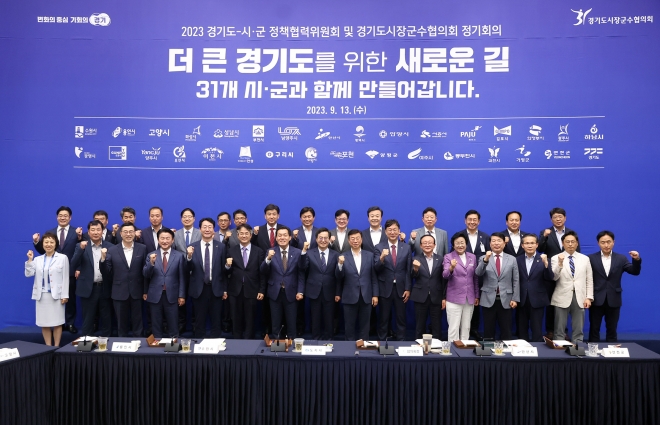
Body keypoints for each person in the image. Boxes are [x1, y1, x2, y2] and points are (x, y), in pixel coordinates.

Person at [32, 206, 81, 334]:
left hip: (70, 270)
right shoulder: (50, 232)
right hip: (52, 273)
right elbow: (44, 251)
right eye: (60, 215)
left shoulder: (76, 232)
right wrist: (37, 242)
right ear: (57, 217)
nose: (63, 218)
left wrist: (78, 268)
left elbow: (81, 251)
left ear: (70, 217)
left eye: (65, 215)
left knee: (70, 298)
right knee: (54, 298)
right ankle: (59, 323)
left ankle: (70, 323)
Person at [588, 231, 641, 342]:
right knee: (594, 329)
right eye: (603, 242)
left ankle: (611, 351)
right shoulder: (591, 258)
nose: (606, 245)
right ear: (598, 243)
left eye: (609, 242)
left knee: (612, 330)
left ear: (614, 242)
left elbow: (634, 271)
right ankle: (592, 352)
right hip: (596, 298)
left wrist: (636, 260)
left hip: (614, 299)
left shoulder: (621, 258)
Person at [100, 222, 147, 337]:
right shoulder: (112, 250)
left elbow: (145, 272)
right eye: (125, 232)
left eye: (131, 231)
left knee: (138, 322)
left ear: (135, 233)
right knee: (121, 323)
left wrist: (145, 291)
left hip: (137, 291)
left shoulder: (142, 248)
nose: (128, 234)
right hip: (119, 291)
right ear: (120, 234)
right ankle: (122, 344)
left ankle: (139, 343)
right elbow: (106, 272)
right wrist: (103, 259)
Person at [538, 207, 579, 339]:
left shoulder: (571, 233)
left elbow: (578, 252)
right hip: (551, 272)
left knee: (565, 301)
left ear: (565, 218)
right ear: (551, 219)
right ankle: (550, 330)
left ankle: (563, 331)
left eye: (560, 216)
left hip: (568, 272)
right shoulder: (546, 232)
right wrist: (544, 237)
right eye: (555, 217)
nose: (558, 219)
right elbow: (540, 249)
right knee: (551, 302)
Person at [260, 226, 305, 339]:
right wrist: (268, 258)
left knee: (291, 322)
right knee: (275, 322)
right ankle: (277, 344)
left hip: (292, 292)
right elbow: (263, 270)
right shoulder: (270, 251)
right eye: (279, 235)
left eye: (285, 235)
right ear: (276, 238)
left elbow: (301, 273)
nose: (282, 238)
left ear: (290, 237)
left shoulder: (297, 252)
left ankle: (291, 342)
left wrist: (300, 291)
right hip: (274, 292)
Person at [70, 220, 114, 337]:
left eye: (98, 230)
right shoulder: (81, 246)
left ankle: (107, 343)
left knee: (107, 319)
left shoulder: (110, 247)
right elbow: (73, 264)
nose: (95, 232)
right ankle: (86, 344)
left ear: (102, 231)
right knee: (88, 320)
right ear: (88, 232)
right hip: (88, 288)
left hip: (105, 288)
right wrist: (80, 249)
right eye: (92, 230)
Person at [25, 233, 69, 346]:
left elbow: (65, 277)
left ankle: (56, 346)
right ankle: (48, 347)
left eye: (51, 242)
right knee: (44, 323)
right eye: (46, 242)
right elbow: (29, 274)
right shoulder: (37, 259)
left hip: (57, 296)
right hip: (42, 296)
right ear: (42, 244)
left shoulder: (62, 258)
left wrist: (65, 295)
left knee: (57, 323)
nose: (48, 244)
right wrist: (30, 260)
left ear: (56, 244)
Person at [143, 228, 187, 338]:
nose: (165, 241)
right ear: (158, 240)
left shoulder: (179, 256)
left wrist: (181, 295)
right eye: (162, 238)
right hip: (155, 295)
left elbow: (182, 277)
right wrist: (151, 263)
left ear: (172, 240)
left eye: (168, 238)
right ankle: (156, 345)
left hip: (172, 295)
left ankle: (173, 344)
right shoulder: (151, 255)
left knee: (173, 323)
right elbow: (146, 275)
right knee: (156, 324)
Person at [186, 218, 227, 338]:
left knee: (216, 320)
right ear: (200, 229)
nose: (207, 229)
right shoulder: (192, 247)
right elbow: (188, 269)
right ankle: (199, 344)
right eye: (204, 227)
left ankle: (216, 344)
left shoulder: (221, 247)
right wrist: (189, 257)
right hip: (199, 289)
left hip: (216, 288)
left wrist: (225, 289)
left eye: (210, 227)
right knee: (199, 321)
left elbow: (224, 271)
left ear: (213, 229)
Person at [475, 232, 519, 340]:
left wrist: (515, 298)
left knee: (506, 330)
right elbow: (478, 273)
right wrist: (486, 260)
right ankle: (488, 349)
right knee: (488, 330)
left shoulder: (512, 259)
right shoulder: (483, 258)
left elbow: (516, 279)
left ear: (504, 243)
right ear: (490, 244)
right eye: (493, 241)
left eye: (499, 241)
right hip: (488, 299)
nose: (496, 243)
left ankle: (507, 349)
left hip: (506, 299)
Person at [550, 231, 592, 343]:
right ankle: (559, 346)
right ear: (562, 243)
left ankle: (578, 347)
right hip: (561, 296)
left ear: (577, 243)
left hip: (580, 297)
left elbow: (589, 279)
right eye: (567, 242)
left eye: (573, 242)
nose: (570, 244)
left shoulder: (585, 259)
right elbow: (554, 277)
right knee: (559, 329)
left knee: (578, 328)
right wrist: (560, 264)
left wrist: (589, 297)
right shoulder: (555, 258)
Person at [301, 228, 342, 340]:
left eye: (325, 238)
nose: (323, 240)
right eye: (321, 238)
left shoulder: (336, 254)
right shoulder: (309, 253)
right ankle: (315, 340)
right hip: (314, 291)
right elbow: (302, 267)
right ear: (316, 239)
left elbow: (338, 276)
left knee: (329, 319)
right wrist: (303, 251)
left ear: (329, 239)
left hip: (330, 291)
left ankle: (329, 340)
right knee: (315, 318)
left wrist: (338, 293)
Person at [225, 224, 266, 339]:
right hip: (235, 290)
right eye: (241, 234)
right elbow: (226, 273)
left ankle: (249, 343)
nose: (244, 236)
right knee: (235, 318)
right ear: (237, 236)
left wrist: (262, 290)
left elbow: (262, 272)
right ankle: (237, 341)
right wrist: (227, 266)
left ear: (251, 235)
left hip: (252, 289)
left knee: (250, 319)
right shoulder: (231, 251)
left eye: (246, 233)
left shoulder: (259, 251)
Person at [374, 219, 412, 341]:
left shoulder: (406, 247)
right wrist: (381, 258)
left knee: (401, 318)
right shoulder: (379, 247)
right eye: (389, 230)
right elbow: (376, 268)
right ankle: (382, 342)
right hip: (385, 288)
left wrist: (408, 288)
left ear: (399, 231)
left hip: (401, 288)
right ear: (385, 232)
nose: (392, 232)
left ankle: (401, 342)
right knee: (383, 318)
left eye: (395, 229)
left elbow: (408, 270)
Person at [456, 209, 490, 340]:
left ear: (479, 221)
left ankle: (474, 329)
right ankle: (461, 330)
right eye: (469, 219)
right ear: (465, 221)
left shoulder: (485, 237)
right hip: (462, 276)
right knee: (462, 303)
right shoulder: (459, 235)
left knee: (476, 304)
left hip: (480, 276)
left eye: (474, 220)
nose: (472, 222)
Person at [338, 230, 378, 341]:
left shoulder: (370, 255)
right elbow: (339, 276)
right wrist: (340, 264)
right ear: (348, 241)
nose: (355, 241)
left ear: (361, 239)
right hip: (349, 296)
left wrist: (375, 295)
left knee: (365, 325)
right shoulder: (343, 256)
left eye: (357, 238)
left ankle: (364, 346)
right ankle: (348, 347)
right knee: (349, 325)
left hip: (366, 296)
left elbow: (373, 277)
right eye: (352, 239)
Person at [516, 234, 553, 342]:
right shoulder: (517, 260)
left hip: (538, 299)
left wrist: (546, 265)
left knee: (537, 329)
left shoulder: (544, 259)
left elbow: (550, 278)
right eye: (527, 243)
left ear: (537, 245)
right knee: (521, 328)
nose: (530, 245)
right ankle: (522, 349)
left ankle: (538, 350)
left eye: (532, 243)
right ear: (522, 245)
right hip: (521, 298)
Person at [442, 233, 479, 341]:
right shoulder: (448, 257)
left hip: (469, 297)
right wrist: (451, 267)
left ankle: (464, 349)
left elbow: (475, 278)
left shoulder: (472, 257)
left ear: (466, 244)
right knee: (454, 327)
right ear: (453, 245)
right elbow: (445, 275)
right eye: (457, 243)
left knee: (466, 327)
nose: (460, 245)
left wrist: (476, 295)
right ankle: (453, 349)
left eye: (462, 243)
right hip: (454, 298)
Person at [410, 234, 445, 339]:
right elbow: (411, 276)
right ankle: (419, 345)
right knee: (420, 325)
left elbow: (443, 279)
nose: (427, 245)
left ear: (434, 245)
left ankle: (436, 345)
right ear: (420, 246)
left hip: (436, 296)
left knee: (436, 325)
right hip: (420, 296)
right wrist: (415, 269)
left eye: (430, 242)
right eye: (425, 243)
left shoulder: (441, 259)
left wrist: (444, 297)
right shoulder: (415, 259)